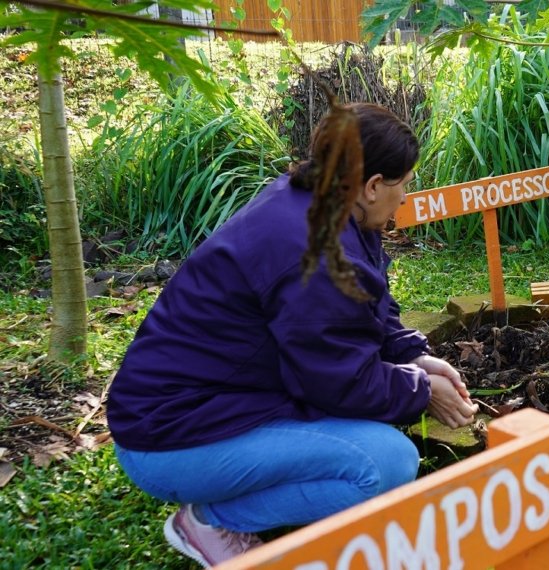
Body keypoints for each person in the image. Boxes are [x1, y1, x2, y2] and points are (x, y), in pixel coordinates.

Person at [106, 103, 479, 567]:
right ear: (372, 186)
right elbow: (340, 382)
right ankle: (211, 520)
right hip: (168, 438)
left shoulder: (319, 202)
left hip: (200, 407)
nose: (405, 196)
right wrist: (421, 391)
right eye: (404, 182)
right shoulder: (318, 253)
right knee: (386, 463)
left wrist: (412, 355)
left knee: (372, 425)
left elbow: (367, 305)